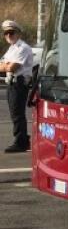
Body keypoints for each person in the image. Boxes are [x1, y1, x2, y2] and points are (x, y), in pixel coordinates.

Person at [1, 19, 35, 153]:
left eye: (11, 32)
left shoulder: (23, 48)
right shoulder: (12, 48)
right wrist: (6, 66)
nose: (9, 35)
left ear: (18, 33)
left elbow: (13, 67)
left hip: (19, 83)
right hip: (11, 83)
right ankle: (23, 139)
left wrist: (7, 66)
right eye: (6, 33)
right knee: (14, 113)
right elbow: (4, 65)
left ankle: (21, 142)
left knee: (17, 114)